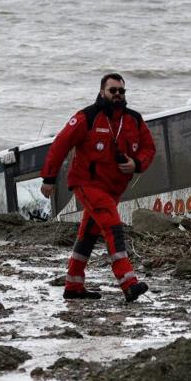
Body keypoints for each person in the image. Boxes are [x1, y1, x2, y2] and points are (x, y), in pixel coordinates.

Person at [41, 73, 156, 302]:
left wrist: (136, 164)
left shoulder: (133, 120)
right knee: (112, 227)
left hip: (113, 189)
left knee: (87, 236)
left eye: (121, 91)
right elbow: (60, 144)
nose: (117, 95)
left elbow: (149, 148)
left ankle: (73, 286)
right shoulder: (87, 117)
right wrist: (49, 178)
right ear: (102, 91)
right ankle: (128, 283)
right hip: (88, 184)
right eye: (112, 90)